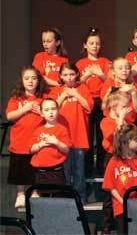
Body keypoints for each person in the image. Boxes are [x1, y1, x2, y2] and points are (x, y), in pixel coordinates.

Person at [50, 62, 93, 202]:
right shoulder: (57, 90)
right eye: (65, 75)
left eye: (72, 74)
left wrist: (76, 94)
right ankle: (67, 197)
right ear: (61, 76)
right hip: (62, 137)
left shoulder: (82, 88)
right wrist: (63, 96)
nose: (69, 78)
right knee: (65, 170)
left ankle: (80, 197)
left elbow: (89, 107)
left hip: (79, 136)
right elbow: (51, 109)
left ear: (77, 75)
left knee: (79, 170)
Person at [6, 66, 48, 208]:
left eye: (34, 78)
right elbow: (10, 116)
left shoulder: (43, 98)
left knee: (36, 169)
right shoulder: (16, 98)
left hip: (37, 141)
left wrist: (41, 112)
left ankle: (35, 192)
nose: (30, 81)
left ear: (38, 81)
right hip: (19, 140)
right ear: (22, 81)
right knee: (20, 168)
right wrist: (25, 108)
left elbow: (51, 116)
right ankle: (20, 194)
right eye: (27, 78)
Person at [102, 124, 137, 235]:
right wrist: (123, 202)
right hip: (121, 206)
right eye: (135, 139)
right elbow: (110, 187)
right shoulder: (114, 162)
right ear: (124, 143)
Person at [76, 28, 110, 177]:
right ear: (85, 45)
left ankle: (102, 171)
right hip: (86, 102)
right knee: (88, 137)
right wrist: (87, 74)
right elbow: (75, 82)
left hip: (102, 101)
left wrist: (101, 74)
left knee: (103, 136)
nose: (95, 46)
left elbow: (111, 81)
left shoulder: (104, 62)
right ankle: (88, 172)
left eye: (97, 43)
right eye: (91, 43)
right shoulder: (80, 63)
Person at [100, 90, 131, 235]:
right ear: (114, 107)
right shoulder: (106, 121)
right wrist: (120, 121)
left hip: (125, 158)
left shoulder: (125, 122)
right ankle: (106, 226)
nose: (127, 109)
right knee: (109, 193)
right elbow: (114, 138)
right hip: (111, 157)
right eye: (124, 107)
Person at [30, 98, 71, 187]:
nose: (50, 112)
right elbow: (31, 149)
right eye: (47, 110)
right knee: (42, 192)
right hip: (40, 170)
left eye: (53, 109)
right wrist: (40, 145)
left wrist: (57, 142)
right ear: (42, 113)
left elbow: (66, 150)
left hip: (56, 169)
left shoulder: (62, 129)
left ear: (58, 110)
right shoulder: (38, 130)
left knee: (57, 193)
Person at [100, 57, 137, 124]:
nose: (124, 70)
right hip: (113, 122)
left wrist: (133, 93)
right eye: (120, 68)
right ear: (113, 71)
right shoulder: (109, 85)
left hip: (129, 123)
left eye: (127, 68)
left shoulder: (132, 86)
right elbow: (104, 106)